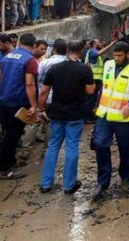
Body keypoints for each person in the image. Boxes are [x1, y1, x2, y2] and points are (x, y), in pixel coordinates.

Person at [38, 40, 95, 194]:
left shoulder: (55, 68)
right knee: (71, 146)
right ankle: (69, 185)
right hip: (75, 114)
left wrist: (40, 109)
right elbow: (90, 91)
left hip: (56, 113)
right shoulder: (84, 69)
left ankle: (46, 184)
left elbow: (44, 92)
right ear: (81, 51)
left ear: (68, 50)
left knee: (53, 145)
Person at [91, 41, 129, 200]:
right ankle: (103, 181)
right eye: (115, 55)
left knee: (124, 147)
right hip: (104, 115)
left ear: (128, 54)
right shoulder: (108, 65)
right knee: (100, 145)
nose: (117, 58)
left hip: (122, 117)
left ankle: (125, 176)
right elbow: (103, 87)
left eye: (120, 56)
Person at [0, 33, 39, 179]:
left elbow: (0, 77)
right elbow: (29, 83)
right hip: (18, 102)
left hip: (3, 100)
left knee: (7, 133)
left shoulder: (7, 56)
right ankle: (5, 169)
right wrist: (34, 105)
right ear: (33, 46)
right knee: (12, 136)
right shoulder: (30, 60)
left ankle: (9, 162)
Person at [85, 39, 116, 123]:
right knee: (91, 99)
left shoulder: (92, 52)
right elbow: (100, 52)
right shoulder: (92, 51)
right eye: (98, 42)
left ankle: (89, 116)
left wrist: (102, 46)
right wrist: (110, 44)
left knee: (93, 98)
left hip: (95, 78)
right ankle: (87, 117)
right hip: (93, 78)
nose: (100, 43)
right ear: (94, 44)